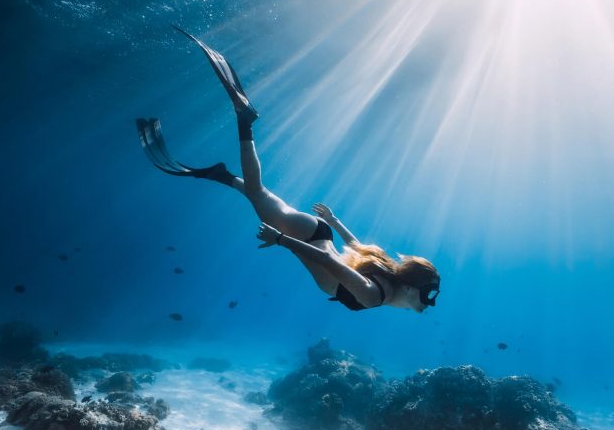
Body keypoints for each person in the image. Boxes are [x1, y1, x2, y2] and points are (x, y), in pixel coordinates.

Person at [137, 28, 440, 312]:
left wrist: (333, 221)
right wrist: (280, 240)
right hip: (308, 239)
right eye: (429, 296)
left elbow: (354, 245)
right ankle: (244, 120)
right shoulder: (374, 296)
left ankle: (223, 175)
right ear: (413, 288)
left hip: (316, 233)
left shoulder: (385, 270)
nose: (428, 305)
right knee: (257, 192)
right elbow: (325, 260)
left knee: (260, 194)